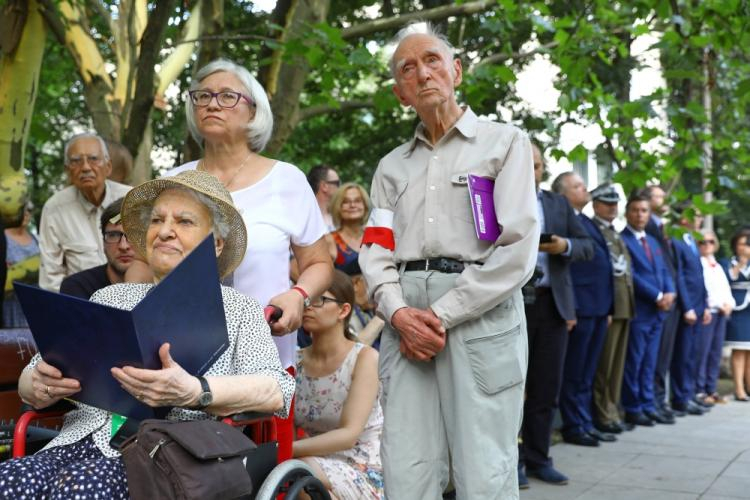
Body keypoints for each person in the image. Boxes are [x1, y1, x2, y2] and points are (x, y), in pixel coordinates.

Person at [0, 170, 295, 498]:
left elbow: (278, 390)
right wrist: (40, 385)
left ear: (216, 243)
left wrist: (196, 391)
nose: (165, 231)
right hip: (82, 440)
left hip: (170, 456)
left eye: (184, 222)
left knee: (82, 487)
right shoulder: (110, 298)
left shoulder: (239, 310)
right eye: (157, 220)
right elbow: (34, 374)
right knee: (10, 479)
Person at [359, 23, 539, 499]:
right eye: (408, 69)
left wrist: (437, 316)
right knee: (406, 467)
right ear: (400, 94)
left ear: (456, 70)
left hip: (478, 317)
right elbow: (376, 249)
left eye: (432, 60)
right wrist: (398, 312)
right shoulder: (392, 167)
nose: (422, 73)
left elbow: (518, 247)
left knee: (485, 469)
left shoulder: (504, 144)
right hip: (404, 321)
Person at [166, 58, 332, 371]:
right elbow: (146, 267)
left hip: (264, 357)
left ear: (253, 111)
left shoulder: (287, 179)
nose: (212, 104)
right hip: (182, 360)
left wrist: (299, 294)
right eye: (202, 95)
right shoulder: (173, 182)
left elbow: (319, 264)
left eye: (227, 96)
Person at [519, 146, 592, 487]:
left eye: (536, 165)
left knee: (546, 387)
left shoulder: (558, 204)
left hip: (552, 305)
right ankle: (511, 462)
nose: (532, 170)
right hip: (511, 304)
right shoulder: (496, 202)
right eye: (525, 164)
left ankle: (538, 458)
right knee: (510, 388)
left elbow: (586, 245)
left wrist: (563, 245)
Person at [294, 270, 383, 499]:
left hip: (363, 468)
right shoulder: (295, 362)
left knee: (298, 473)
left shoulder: (364, 358)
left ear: (344, 310)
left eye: (320, 299)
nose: (308, 306)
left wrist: (285, 451)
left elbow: (348, 434)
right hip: (315, 465)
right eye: (305, 300)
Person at [552, 172, 614, 447]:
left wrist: (608, 307)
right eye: (577, 186)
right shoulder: (563, 220)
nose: (584, 188)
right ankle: (573, 425)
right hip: (580, 306)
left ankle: (586, 421)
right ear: (563, 194)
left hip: (599, 306)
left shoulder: (585, 220)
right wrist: (570, 310)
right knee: (575, 370)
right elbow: (567, 271)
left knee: (589, 370)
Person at [38, 133, 131, 292]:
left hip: (132, 295)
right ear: (68, 170)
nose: (86, 167)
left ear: (108, 167)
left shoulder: (131, 199)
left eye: (93, 159)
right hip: (80, 302)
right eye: (76, 161)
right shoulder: (54, 209)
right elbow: (50, 277)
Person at [620, 194, 675, 427]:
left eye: (644, 210)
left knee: (650, 361)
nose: (640, 215)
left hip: (658, 312)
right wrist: (658, 295)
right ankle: (633, 408)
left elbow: (663, 270)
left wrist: (670, 292)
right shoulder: (623, 240)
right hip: (641, 308)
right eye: (635, 210)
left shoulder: (652, 241)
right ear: (627, 213)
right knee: (635, 360)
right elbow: (632, 275)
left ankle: (648, 404)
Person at [589, 185, 635, 434]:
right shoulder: (594, 230)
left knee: (617, 365)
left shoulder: (613, 233)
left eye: (615, 204)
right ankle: (603, 414)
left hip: (623, 305)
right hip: (610, 306)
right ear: (595, 204)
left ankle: (612, 409)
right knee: (604, 365)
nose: (612, 208)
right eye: (607, 203)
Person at [669, 204, 711, 416]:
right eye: (696, 216)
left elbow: (698, 276)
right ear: (684, 217)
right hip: (687, 308)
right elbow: (680, 277)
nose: (700, 220)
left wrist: (704, 304)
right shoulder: (676, 241)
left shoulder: (690, 240)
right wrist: (687, 307)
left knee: (692, 355)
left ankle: (689, 393)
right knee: (682, 355)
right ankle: (680, 398)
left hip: (698, 305)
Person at [644, 185, 681, 419]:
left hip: (670, 297)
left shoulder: (665, 227)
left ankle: (658, 400)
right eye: (658, 195)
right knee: (652, 357)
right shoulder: (648, 227)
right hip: (653, 300)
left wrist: (671, 291)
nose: (663, 198)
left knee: (664, 355)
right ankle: (653, 401)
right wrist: (661, 294)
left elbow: (669, 266)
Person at [60, 198, 136, 299]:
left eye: (133, 235)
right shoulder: (77, 287)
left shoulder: (161, 283)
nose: (123, 246)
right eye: (113, 235)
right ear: (103, 241)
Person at [695, 229, 734, 404]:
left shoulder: (717, 265)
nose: (707, 245)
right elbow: (704, 289)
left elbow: (724, 289)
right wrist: (717, 305)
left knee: (715, 352)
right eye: (703, 242)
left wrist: (728, 304)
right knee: (702, 352)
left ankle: (711, 388)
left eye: (710, 241)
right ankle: (700, 390)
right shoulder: (698, 263)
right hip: (708, 313)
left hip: (721, 314)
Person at [723, 230, 750, 401]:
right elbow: (727, 280)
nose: (745, 247)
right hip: (738, 309)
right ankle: (739, 389)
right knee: (739, 350)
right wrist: (740, 265)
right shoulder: (727, 262)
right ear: (735, 245)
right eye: (742, 244)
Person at [3, 201, 39, 328]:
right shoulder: (3, 238)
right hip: (9, 309)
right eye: (21, 210)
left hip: (35, 308)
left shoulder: (37, 239)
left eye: (29, 210)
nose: (25, 214)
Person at [329, 183, 370, 275]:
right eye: (346, 202)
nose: (352, 205)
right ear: (337, 206)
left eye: (358, 201)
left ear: (365, 205)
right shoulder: (329, 240)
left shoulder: (374, 238)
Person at [307, 164, 341, 232]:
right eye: (337, 183)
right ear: (324, 186)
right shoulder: (305, 218)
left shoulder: (342, 216)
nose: (340, 188)